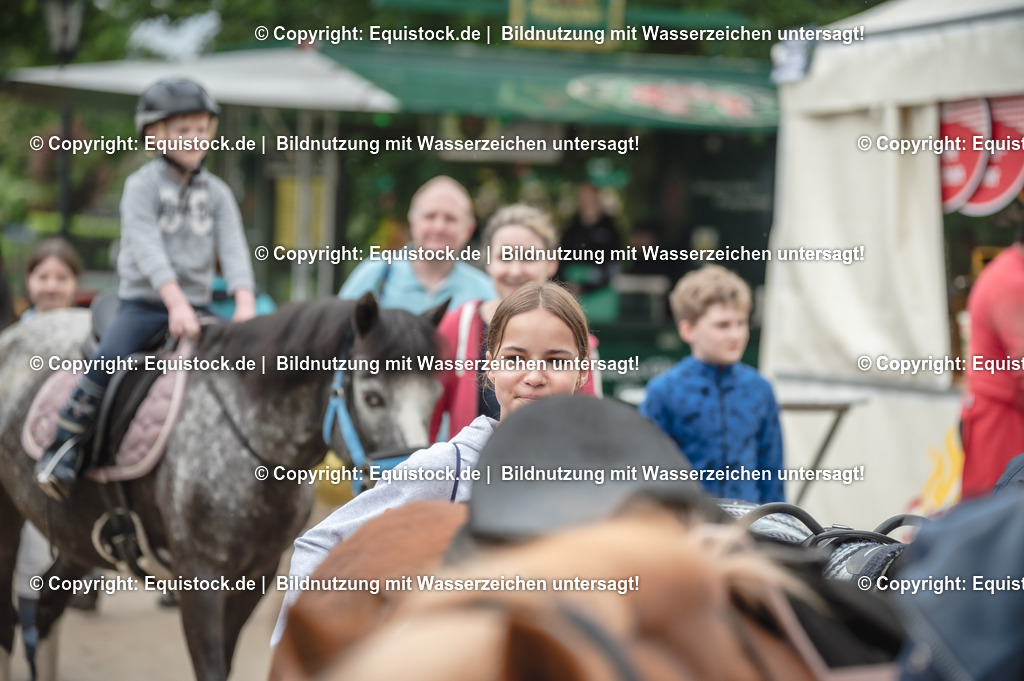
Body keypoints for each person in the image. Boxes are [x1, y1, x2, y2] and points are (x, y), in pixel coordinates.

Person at [272, 280, 590, 646]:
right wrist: (297, 654)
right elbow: (322, 543)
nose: (534, 377)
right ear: (489, 366)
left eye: (556, 360)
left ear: (582, 370)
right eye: (515, 359)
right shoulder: (447, 467)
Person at [35, 78, 256, 500]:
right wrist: (174, 302)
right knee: (106, 362)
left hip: (201, 305)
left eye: (202, 129)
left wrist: (245, 303)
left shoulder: (219, 193)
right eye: (182, 130)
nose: (195, 138)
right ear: (155, 135)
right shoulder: (142, 186)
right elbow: (148, 248)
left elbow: (234, 248)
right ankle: (63, 447)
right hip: (146, 304)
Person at [429, 203, 601, 441]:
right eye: (505, 256)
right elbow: (427, 415)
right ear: (488, 262)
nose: (515, 269)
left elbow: (589, 423)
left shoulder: (576, 338)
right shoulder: (458, 325)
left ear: (551, 262)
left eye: (528, 257)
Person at [639, 264, 783, 503]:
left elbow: (773, 471)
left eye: (741, 323)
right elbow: (649, 472)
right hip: (687, 525)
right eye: (723, 325)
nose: (736, 335)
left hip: (750, 526)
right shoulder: (664, 390)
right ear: (688, 330)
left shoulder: (760, 388)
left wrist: (778, 526)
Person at [15, 238, 83, 669]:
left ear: (75, 285)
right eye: (43, 276)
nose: (52, 286)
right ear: (29, 282)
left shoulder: (87, 342)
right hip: (16, 467)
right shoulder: (14, 342)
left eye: (62, 277)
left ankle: (45, 663)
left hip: (55, 473)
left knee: (46, 563)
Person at [337, 176, 496, 312]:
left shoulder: (485, 292)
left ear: (469, 229)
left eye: (450, 219)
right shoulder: (375, 276)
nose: (439, 227)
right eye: (430, 216)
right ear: (412, 222)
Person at [960, 224, 1024, 498]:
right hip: (1002, 422)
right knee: (999, 523)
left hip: (993, 414)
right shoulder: (1014, 282)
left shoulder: (1006, 268)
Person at [558, 181, 622, 294]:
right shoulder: (571, 228)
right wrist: (566, 284)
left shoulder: (611, 228)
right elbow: (562, 258)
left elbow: (614, 263)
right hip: (572, 288)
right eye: (582, 197)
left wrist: (587, 287)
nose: (586, 201)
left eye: (589, 197)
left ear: (597, 197)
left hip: (601, 291)